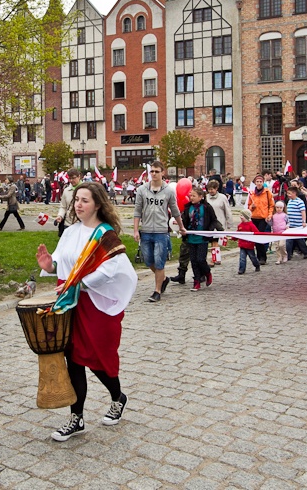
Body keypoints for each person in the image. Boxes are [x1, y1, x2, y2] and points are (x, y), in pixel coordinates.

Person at [35, 182, 137, 442]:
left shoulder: (105, 235)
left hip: (96, 306)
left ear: (98, 205)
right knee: (74, 361)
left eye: (84, 200)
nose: (78, 205)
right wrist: (49, 266)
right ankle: (76, 418)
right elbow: (61, 261)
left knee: (99, 359)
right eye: (76, 200)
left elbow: (111, 271)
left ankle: (118, 397)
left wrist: (80, 283)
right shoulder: (70, 232)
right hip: (70, 304)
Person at [133, 161, 185, 303]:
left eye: (157, 171)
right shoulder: (142, 190)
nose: (154, 174)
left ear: (162, 172)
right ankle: (163, 279)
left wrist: (181, 226)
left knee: (159, 261)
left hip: (161, 231)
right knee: (149, 260)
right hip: (147, 230)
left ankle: (157, 290)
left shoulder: (168, 191)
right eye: (152, 171)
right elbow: (137, 211)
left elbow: (175, 210)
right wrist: (136, 230)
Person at [181, 186, 218, 290]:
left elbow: (214, 220)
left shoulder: (206, 207)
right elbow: (184, 220)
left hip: (202, 238)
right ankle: (196, 281)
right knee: (193, 261)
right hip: (191, 237)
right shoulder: (188, 207)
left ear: (201, 197)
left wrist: (209, 231)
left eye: (194, 196)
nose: (191, 198)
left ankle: (207, 273)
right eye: (190, 195)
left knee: (201, 259)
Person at [246, 174, 275, 265]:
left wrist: (269, 215)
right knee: (255, 238)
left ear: (263, 182)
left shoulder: (267, 193)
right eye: (257, 182)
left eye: (260, 182)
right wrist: (251, 207)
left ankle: (262, 257)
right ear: (255, 183)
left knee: (259, 236)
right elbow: (248, 207)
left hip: (263, 218)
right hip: (254, 217)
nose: (259, 183)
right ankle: (259, 257)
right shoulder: (252, 193)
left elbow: (271, 205)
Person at [206, 180, 234, 264]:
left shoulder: (222, 198)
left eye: (212, 189)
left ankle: (214, 259)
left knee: (215, 241)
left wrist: (229, 223)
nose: (211, 191)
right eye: (209, 189)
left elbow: (227, 210)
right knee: (212, 241)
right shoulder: (206, 197)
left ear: (216, 189)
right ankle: (216, 258)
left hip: (219, 223)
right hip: (209, 223)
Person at [284, 186, 307, 260]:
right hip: (291, 224)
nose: (288, 195)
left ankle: (306, 252)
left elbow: (303, 212)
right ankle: (288, 255)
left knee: (300, 240)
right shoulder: (289, 201)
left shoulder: (299, 201)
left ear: (294, 193)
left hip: (298, 224)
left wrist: (303, 221)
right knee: (289, 240)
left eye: (289, 193)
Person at [55, 169, 82, 237]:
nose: (71, 180)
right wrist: (60, 216)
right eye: (69, 178)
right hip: (68, 224)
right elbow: (63, 206)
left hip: (82, 223)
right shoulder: (66, 191)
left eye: (73, 178)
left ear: (79, 177)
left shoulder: (86, 189)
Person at [235, 209, 261, 274]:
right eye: (240, 215)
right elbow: (237, 233)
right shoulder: (240, 225)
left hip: (249, 245)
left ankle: (257, 265)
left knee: (252, 257)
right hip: (242, 245)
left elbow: (257, 233)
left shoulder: (251, 225)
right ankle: (241, 269)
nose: (240, 217)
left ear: (246, 216)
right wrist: (233, 237)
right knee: (242, 258)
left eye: (242, 215)